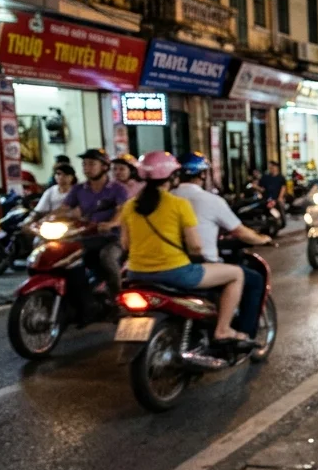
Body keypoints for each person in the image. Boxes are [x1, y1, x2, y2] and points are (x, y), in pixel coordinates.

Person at [120, 152, 251, 345]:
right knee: (237, 274)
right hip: (176, 273)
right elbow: (196, 246)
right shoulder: (179, 204)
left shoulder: (129, 206)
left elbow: (125, 245)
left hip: (136, 274)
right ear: (172, 177)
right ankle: (223, 329)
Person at [173, 152, 273, 337]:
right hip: (191, 267)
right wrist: (263, 239)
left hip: (156, 266)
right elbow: (240, 232)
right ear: (203, 174)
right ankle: (234, 333)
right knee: (250, 278)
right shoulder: (208, 200)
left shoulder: (163, 200)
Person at [60, 148, 128, 295]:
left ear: (104, 167)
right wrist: (43, 219)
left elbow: (122, 211)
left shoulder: (117, 189)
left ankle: (117, 297)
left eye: (91, 164)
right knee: (63, 254)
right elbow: (64, 208)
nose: (86, 168)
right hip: (87, 236)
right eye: (84, 164)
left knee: (107, 258)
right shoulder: (78, 189)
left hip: (113, 238)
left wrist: (111, 224)